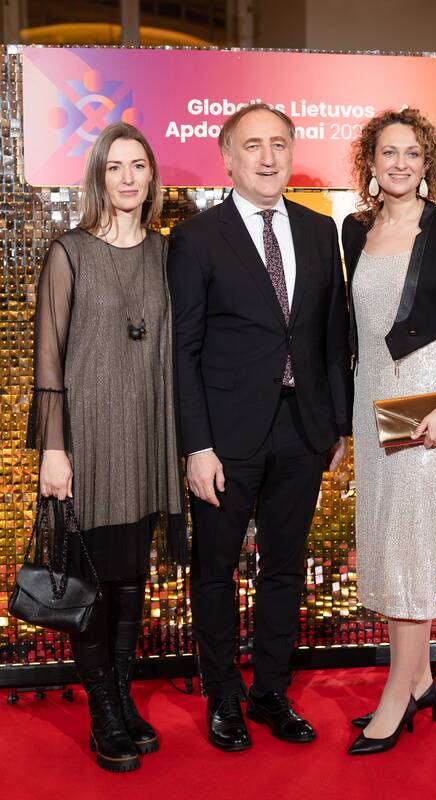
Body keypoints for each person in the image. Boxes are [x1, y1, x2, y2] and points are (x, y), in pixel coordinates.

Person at [167, 103, 352, 751]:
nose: (268, 157)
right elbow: (182, 350)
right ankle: (222, 695)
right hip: (223, 439)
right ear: (227, 158)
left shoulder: (318, 230)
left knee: (284, 567)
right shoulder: (196, 237)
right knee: (214, 570)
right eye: (253, 145)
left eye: (278, 143)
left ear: (291, 151)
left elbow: (333, 334)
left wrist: (337, 424)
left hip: (303, 430)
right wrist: (195, 444)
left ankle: (270, 690)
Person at [27, 122, 185, 772]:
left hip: (146, 440)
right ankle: (100, 711)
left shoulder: (167, 254)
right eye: (115, 166)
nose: (127, 177)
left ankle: (121, 694)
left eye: (138, 165)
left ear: (152, 177)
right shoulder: (68, 253)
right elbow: (48, 359)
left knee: (130, 578)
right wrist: (52, 448)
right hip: (87, 441)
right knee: (91, 580)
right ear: (98, 176)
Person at [342, 107, 436, 755]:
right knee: (386, 538)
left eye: (411, 153)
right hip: (369, 400)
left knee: (410, 545)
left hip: (427, 404)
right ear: (370, 164)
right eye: (388, 153)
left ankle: (396, 695)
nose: (399, 163)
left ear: (426, 162)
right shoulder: (354, 229)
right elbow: (349, 329)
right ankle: (423, 679)